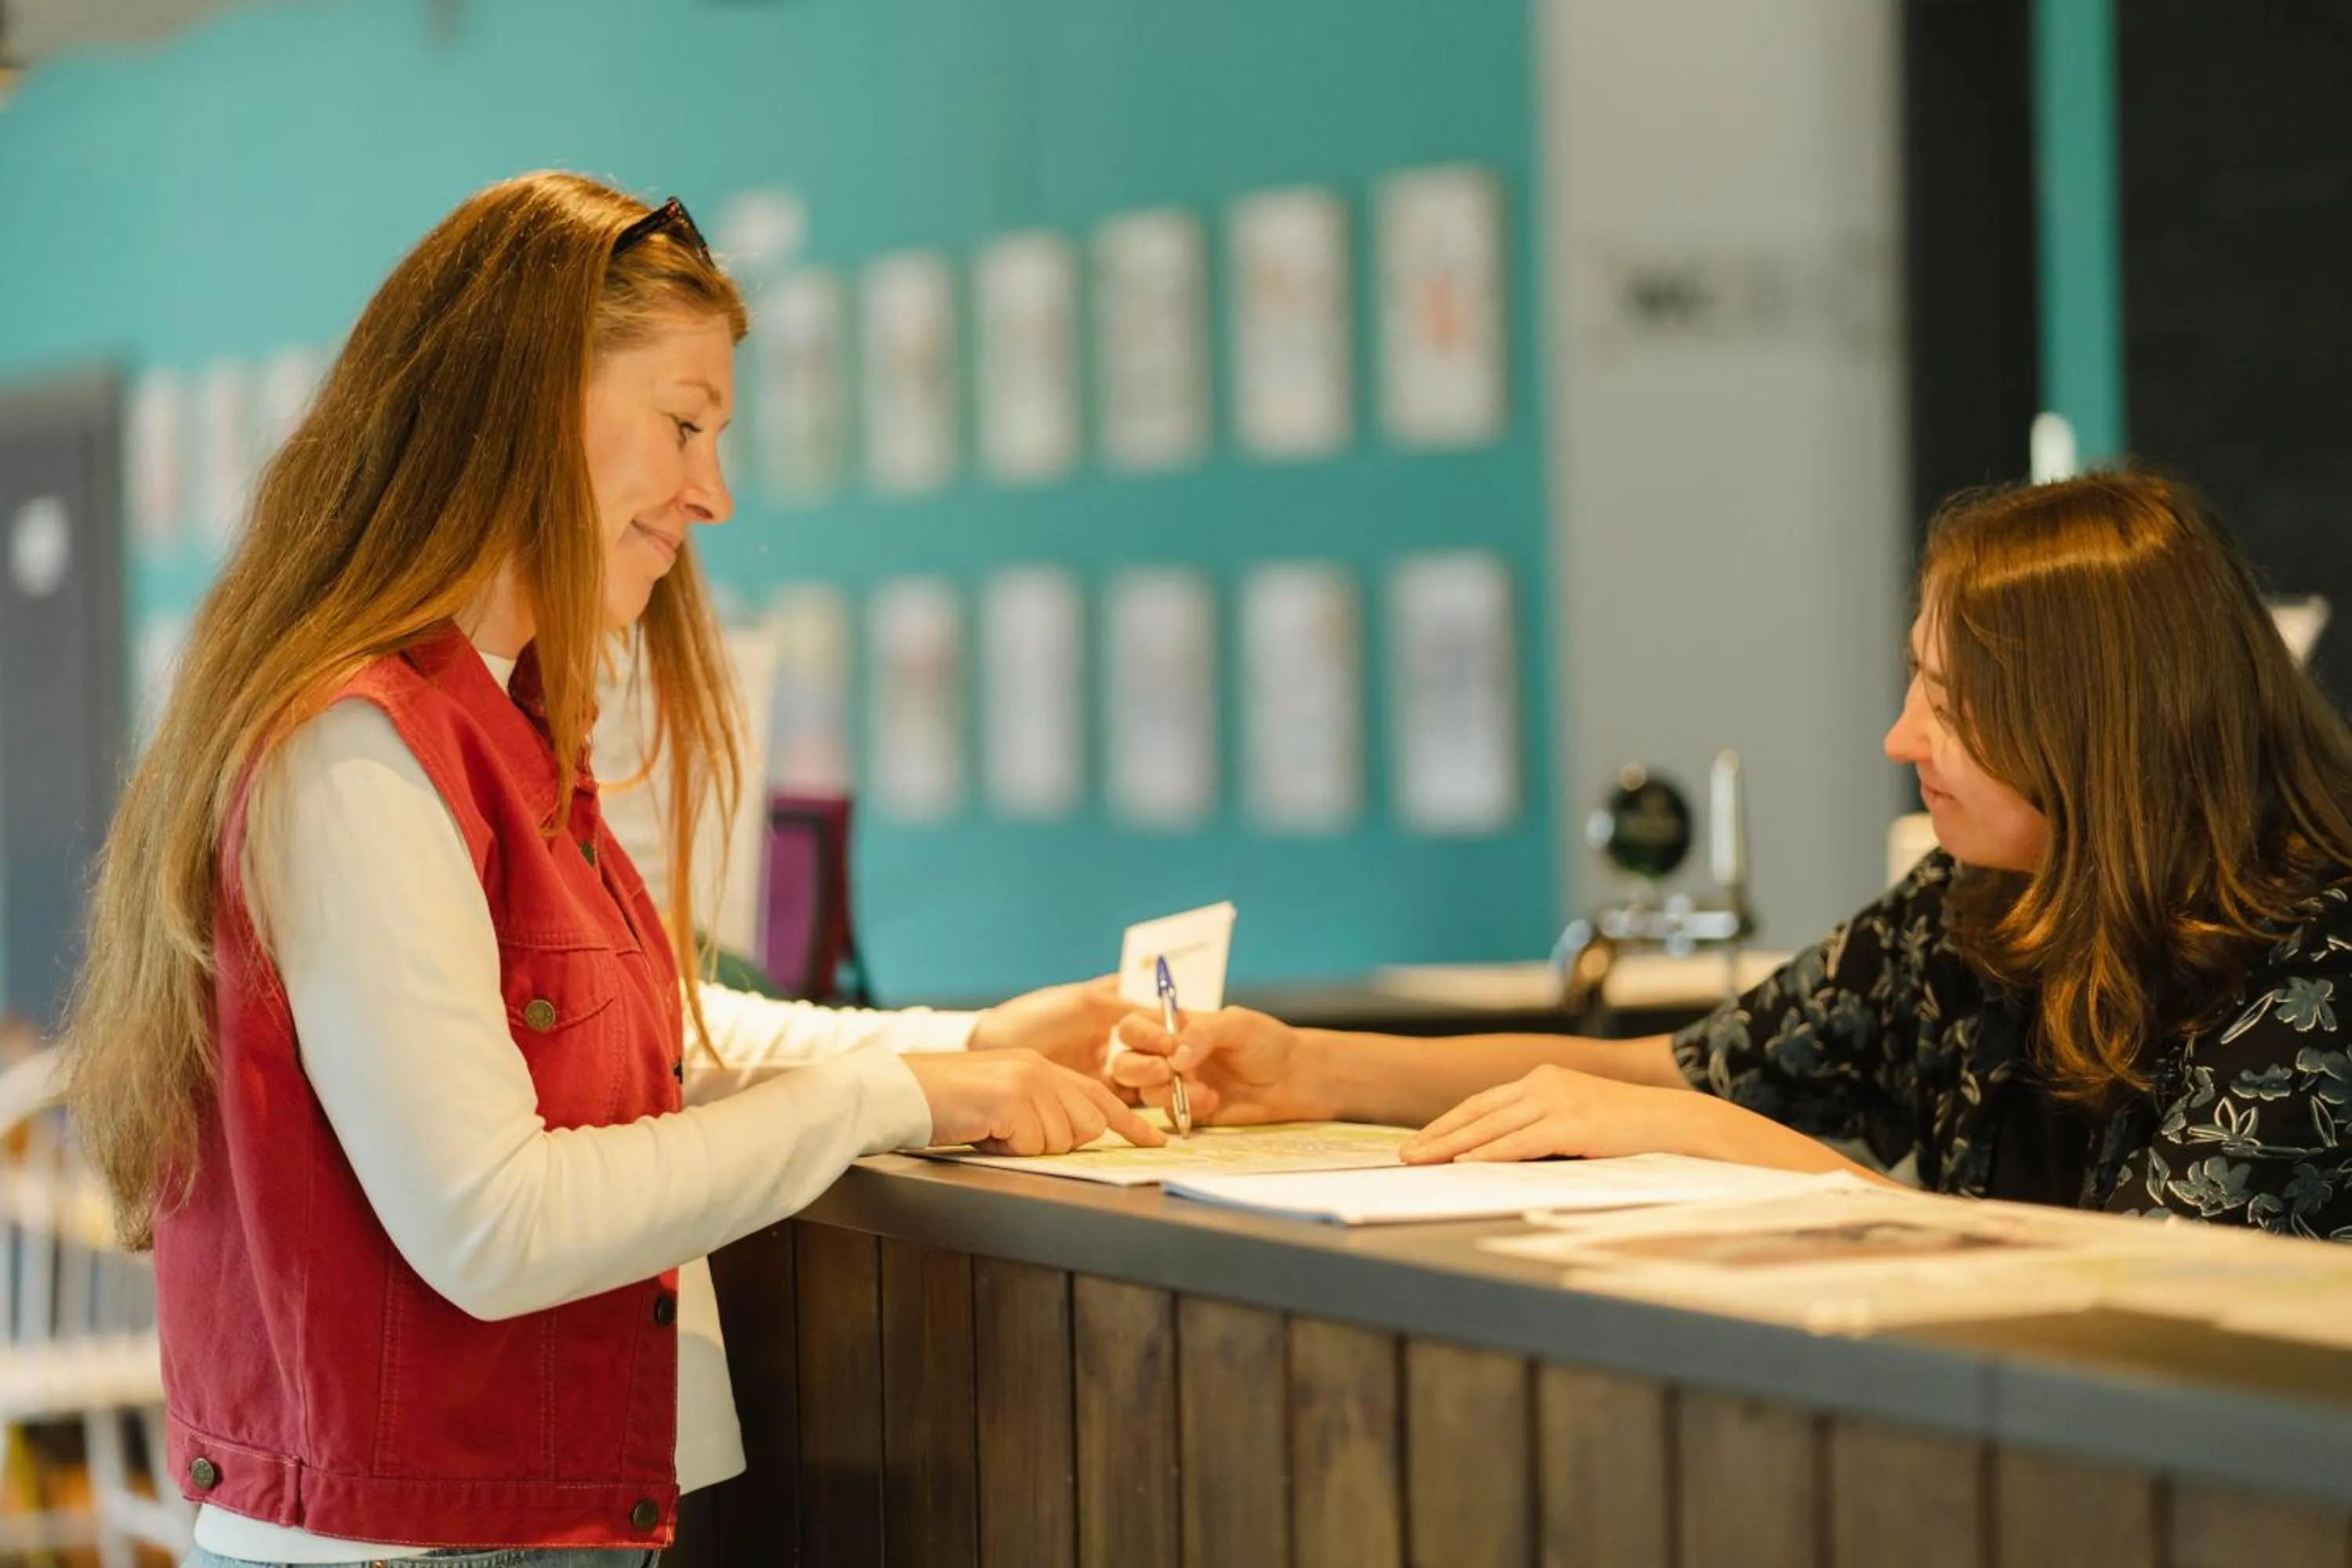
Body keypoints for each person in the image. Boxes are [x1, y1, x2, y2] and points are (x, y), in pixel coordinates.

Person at [58, 172, 1158, 1568]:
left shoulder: (497, 727)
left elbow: (640, 1038)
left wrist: (969, 1047)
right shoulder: (358, 752)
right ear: (524, 403)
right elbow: (492, 1224)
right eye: (685, 425)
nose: (715, 492)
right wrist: (890, 1094)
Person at [1116, 471, 2352, 1240]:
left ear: (2095, 729)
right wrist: (1309, 1070)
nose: (1898, 737)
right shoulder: (1974, 906)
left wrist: (1742, 1148)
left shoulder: (2317, 967)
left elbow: (2162, 1294)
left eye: (1948, 701)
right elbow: (1672, 1075)